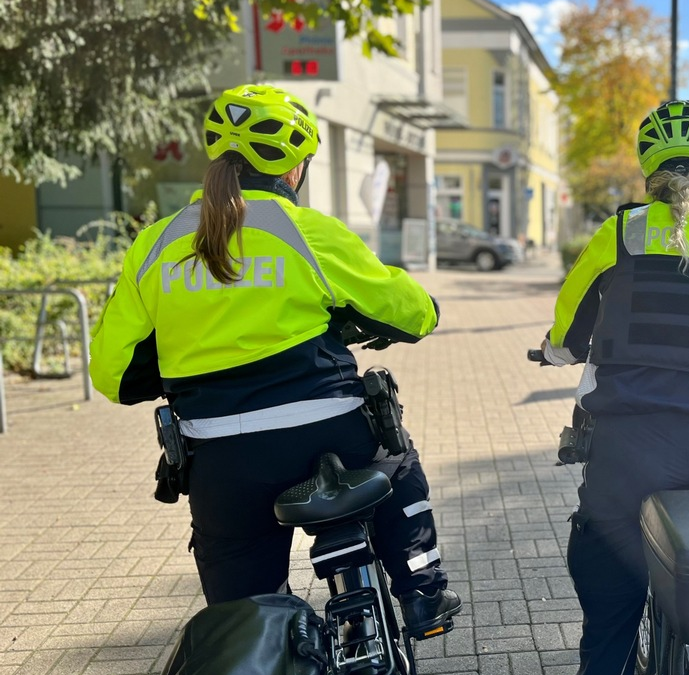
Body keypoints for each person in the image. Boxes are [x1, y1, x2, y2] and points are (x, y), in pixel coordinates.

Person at [89, 84, 462, 635]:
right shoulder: (307, 231)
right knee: (395, 458)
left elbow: (112, 374)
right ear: (294, 169)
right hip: (329, 434)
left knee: (245, 623)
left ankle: (260, 642)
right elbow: (412, 314)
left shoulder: (155, 245)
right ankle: (422, 593)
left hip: (221, 459)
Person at [540, 100, 689, 675]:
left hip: (627, 449)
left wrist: (558, 350)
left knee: (604, 574)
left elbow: (572, 323)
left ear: (649, 164)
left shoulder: (622, 230)